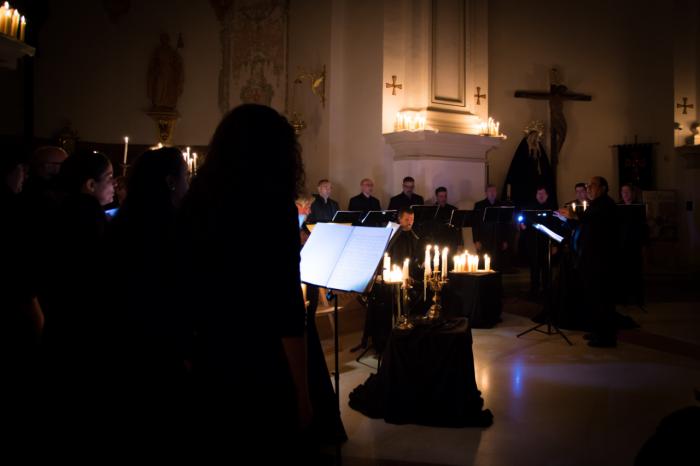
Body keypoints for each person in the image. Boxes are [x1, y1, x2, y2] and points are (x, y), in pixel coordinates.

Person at [178, 104, 311, 459]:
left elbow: (182, 284)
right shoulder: (273, 204)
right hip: (259, 357)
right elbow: (285, 300)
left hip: (208, 350)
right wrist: (302, 389)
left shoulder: (195, 199)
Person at [107, 148, 191, 432]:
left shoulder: (120, 224)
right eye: (186, 177)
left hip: (122, 348)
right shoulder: (172, 230)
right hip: (163, 349)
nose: (188, 185)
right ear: (170, 182)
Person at [558, 176, 619, 347]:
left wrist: (571, 217)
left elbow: (591, 229)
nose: (588, 188)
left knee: (602, 299)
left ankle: (605, 337)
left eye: (592, 185)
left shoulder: (605, 206)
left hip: (600, 261)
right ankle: (596, 332)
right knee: (593, 298)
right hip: (590, 259)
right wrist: (568, 220)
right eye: (588, 186)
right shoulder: (596, 205)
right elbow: (582, 227)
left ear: (603, 188)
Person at [521, 185, 558, 297]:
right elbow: (525, 224)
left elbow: (556, 228)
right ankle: (534, 289)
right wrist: (522, 225)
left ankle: (547, 289)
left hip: (547, 243)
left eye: (543, 194)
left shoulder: (552, 209)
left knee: (546, 267)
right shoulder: (530, 208)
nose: (540, 196)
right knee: (534, 267)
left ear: (547, 195)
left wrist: (555, 245)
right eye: (538, 194)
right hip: (533, 243)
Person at [617, 183, 647, 307]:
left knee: (635, 271)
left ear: (633, 193)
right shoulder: (618, 207)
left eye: (628, 191)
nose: (625, 194)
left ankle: (637, 298)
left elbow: (643, 227)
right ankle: (623, 297)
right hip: (621, 244)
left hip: (634, 244)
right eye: (623, 192)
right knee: (622, 272)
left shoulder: (639, 207)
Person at [473, 184, 510, 271]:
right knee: (483, 264)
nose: (492, 193)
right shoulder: (479, 205)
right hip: (483, 240)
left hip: (498, 240)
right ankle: (483, 284)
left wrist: (505, 240)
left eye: (494, 191)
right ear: (486, 193)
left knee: (497, 264)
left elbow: (505, 224)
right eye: (490, 191)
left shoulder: (501, 205)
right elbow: (475, 224)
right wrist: (476, 240)